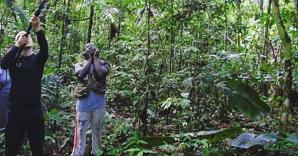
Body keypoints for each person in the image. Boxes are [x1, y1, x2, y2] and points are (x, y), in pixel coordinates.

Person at [0, 16, 48, 156]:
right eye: (20, 37)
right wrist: (17, 46)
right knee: (11, 148)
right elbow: (3, 64)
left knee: (37, 148)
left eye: (27, 36)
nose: (24, 37)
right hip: (15, 111)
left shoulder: (38, 60)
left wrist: (37, 28)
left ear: (32, 43)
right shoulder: (14, 61)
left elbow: (44, 48)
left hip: (34, 110)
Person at [71, 43, 110, 156]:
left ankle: (96, 153)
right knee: (80, 132)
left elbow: (100, 73)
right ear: (84, 53)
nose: (91, 50)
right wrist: (89, 61)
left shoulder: (104, 64)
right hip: (83, 105)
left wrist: (96, 59)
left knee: (97, 132)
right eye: (88, 49)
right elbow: (80, 74)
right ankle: (78, 154)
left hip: (98, 105)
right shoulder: (79, 64)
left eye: (93, 48)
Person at [0, 57, 11, 130]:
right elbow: (3, 80)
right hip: (3, 94)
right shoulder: (1, 68)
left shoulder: (14, 66)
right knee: (2, 113)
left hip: (14, 93)